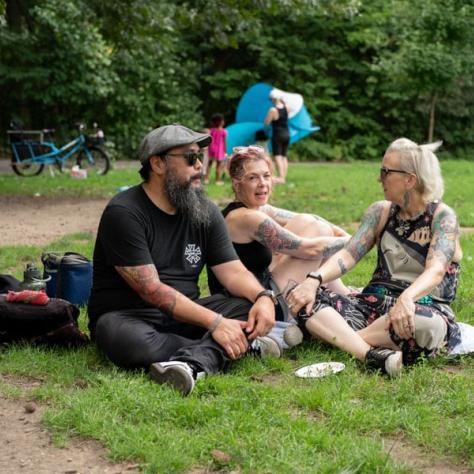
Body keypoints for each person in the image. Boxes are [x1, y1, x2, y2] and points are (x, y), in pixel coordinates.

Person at [87, 124, 277, 396]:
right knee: (120, 336)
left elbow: (233, 271)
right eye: (189, 158)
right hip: (131, 318)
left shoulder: (204, 210)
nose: (199, 165)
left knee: (247, 308)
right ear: (158, 163)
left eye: (200, 156)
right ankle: (224, 348)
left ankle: (191, 362)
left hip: (187, 315)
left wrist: (263, 296)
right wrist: (215, 324)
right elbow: (152, 290)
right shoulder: (124, 212)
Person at [286, 138, 462, 377]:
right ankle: (371, 354)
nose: (379, 178)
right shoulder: (380, 211)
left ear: (410, 180)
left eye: (386, 171)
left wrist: (407, 298)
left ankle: (337, 337)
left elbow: (436, 270)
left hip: (420, 307)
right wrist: (314, 280)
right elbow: (349, 253)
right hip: (371, 306)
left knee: (427, 325)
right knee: (304, 296)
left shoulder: (443, 217)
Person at [207, 145, 351, 329]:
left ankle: (344, 294)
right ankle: (339, 297)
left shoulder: (259, 209)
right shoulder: (245, 217)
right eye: (253, 177)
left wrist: (345, 235)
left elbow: (315, 220)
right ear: (236, 183)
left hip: (263, 288)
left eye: (266, 176)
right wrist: (358, 242)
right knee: (316, 237)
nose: (262, 183)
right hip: (257, 305)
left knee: (312, 223)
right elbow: (309, 249)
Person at [264, 90, 291, 184]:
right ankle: (283, 177)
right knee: (284, 156)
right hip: (287, 133)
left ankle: (281, 178)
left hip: (278, 134)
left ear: (273, 99)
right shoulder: (287, 107)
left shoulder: (273, 110)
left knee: (277, 156)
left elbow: (266, 122)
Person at [205, 114, 228, 185]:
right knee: (219, 166)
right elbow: (224, 142)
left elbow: (209, 140)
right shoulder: (223, 131)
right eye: (222, 120)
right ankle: (217, 180)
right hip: (219, 151)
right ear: (220, 122)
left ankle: (206, 179)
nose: (223, 122)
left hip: (211, 150)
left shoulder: (211, 131)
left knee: (209, 165)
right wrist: (225, 151)